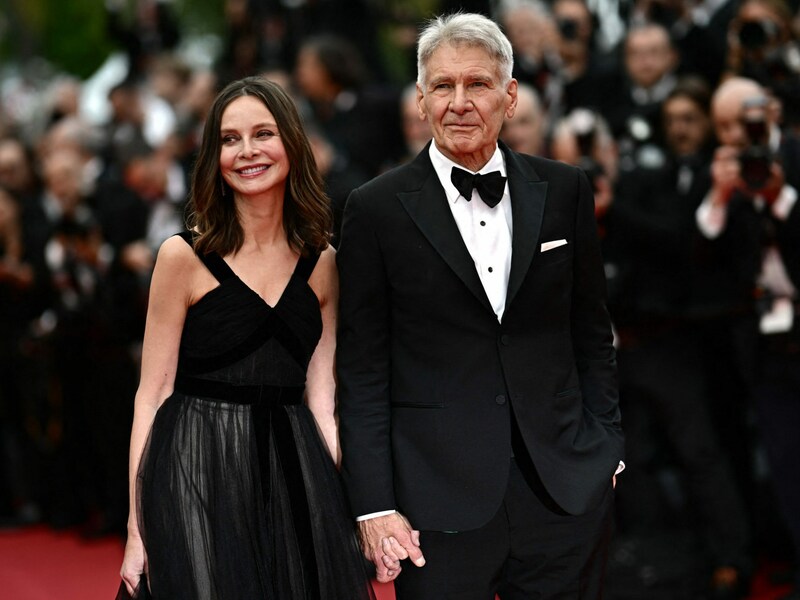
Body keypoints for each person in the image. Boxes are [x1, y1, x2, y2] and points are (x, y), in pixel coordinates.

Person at [336, 13, 624, 599]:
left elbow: (591, 332)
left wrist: (605, 453)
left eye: (478, 84)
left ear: (510, 96)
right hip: (435, 503)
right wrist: (374, 506)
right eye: (443, 86)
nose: (460, 102)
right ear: (420, 101)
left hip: (564, 490)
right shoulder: (374, 209)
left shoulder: (565, 188)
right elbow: (363, 369)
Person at [117, 76, 374, 600]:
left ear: (292, 145)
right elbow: (153, 393)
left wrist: (345, 504)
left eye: (263, 134)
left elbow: (323, 399)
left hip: (295, 477)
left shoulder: (323, 261)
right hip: (195, 473)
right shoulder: (181, 258)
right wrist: (136, 526)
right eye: (230, 139)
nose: (247, 151)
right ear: (213, 155)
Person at [696, 76, 800, 600]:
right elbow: (702, 252)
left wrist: (781, 197)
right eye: (725, 126)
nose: (738, 133)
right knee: (783, 456)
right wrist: (720, 194)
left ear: (772, 113)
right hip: (764, 344)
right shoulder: (725, 173)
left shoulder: (795, 158)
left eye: (746, 121)